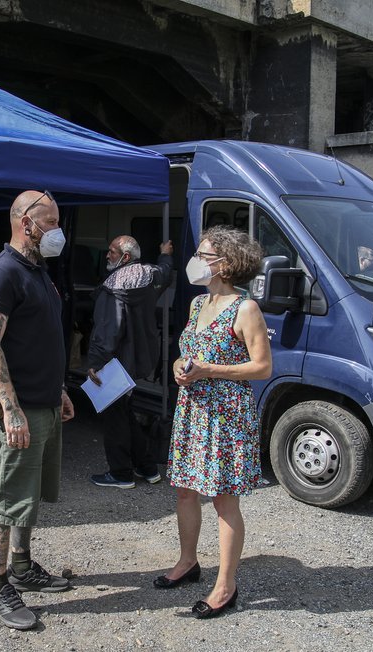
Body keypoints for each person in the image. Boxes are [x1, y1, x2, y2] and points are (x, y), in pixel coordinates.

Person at [154, 226, 271, 620]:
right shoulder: (196, 304)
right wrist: (179, 367)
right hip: (193, 411)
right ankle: (188, 563)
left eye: (204, 255)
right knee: (186, 491)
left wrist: (208, 370)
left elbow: (262, 367)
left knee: (223, 501)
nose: (196, 261)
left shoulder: (246, 308)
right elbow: (186, 354)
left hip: (226, 416)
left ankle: (226, 585)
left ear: (226, 263)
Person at [0, 189, 76, 630]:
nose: (58, 231)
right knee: (6, 500)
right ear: (25, 223)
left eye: (58, 221)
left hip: (45, 402)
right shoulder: (0, 274)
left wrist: (59, 390)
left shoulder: (38, 270)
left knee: (28, 497)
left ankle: (22, 565)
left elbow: (43, 339)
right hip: (17, 410)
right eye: (51, 222)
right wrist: (9, 408)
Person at [86, 235, 174, 488]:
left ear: (125, 257)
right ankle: (147, 468)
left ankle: (121, 473)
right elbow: (167, 272)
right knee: (125, 413)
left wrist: (95, 362)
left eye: (111, 252)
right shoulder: (151, 274)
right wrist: (165, 253)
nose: (107, 256)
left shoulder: (112, 286)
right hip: (140, 359)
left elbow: (107, 329)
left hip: (114, 362)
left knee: (115, 417)